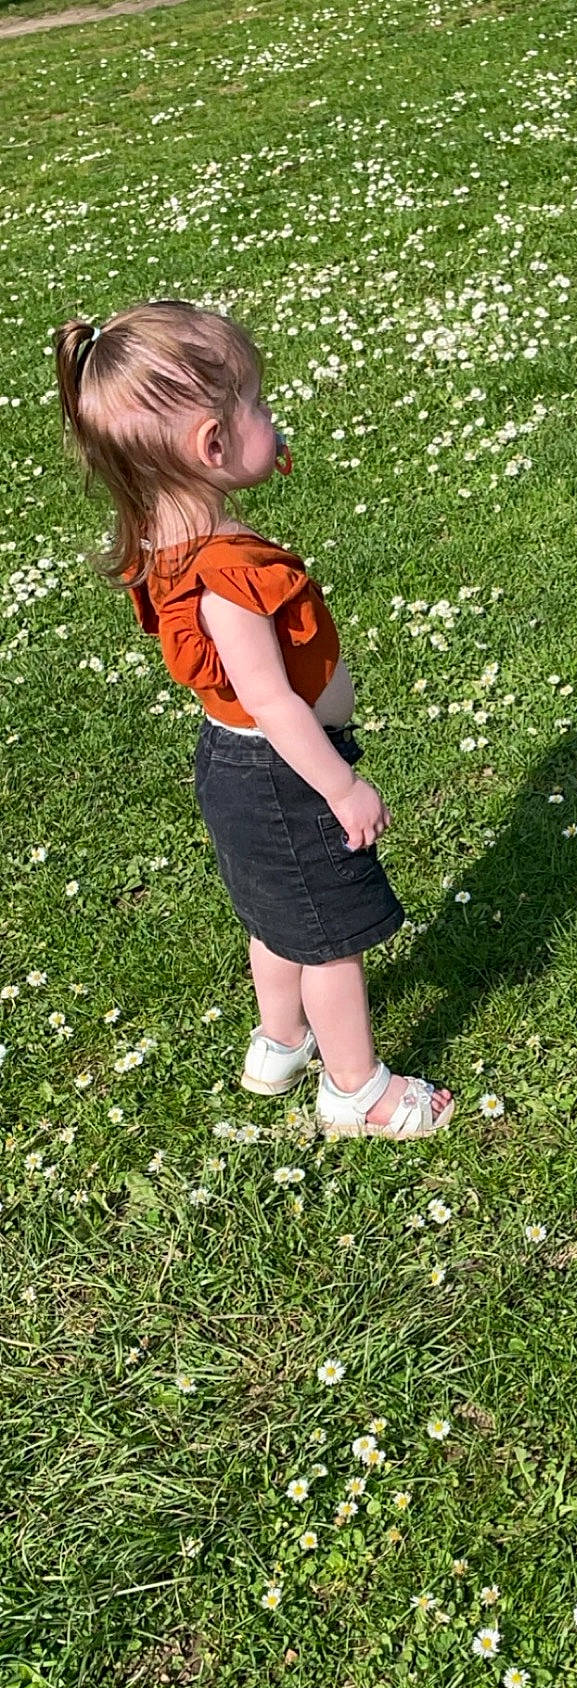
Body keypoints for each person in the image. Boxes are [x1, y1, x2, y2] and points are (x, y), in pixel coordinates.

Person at [52, 298, 454, 1141]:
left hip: (235, 765)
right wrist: (340, 785)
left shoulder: (167, 546)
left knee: (277, 913)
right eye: (258, 405)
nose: (272, 417)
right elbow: (273, 702)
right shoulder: (227, 574)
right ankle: (359, 1092)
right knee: (328, 942)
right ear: (213, 445)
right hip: (284, 769)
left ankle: (279, 1044)